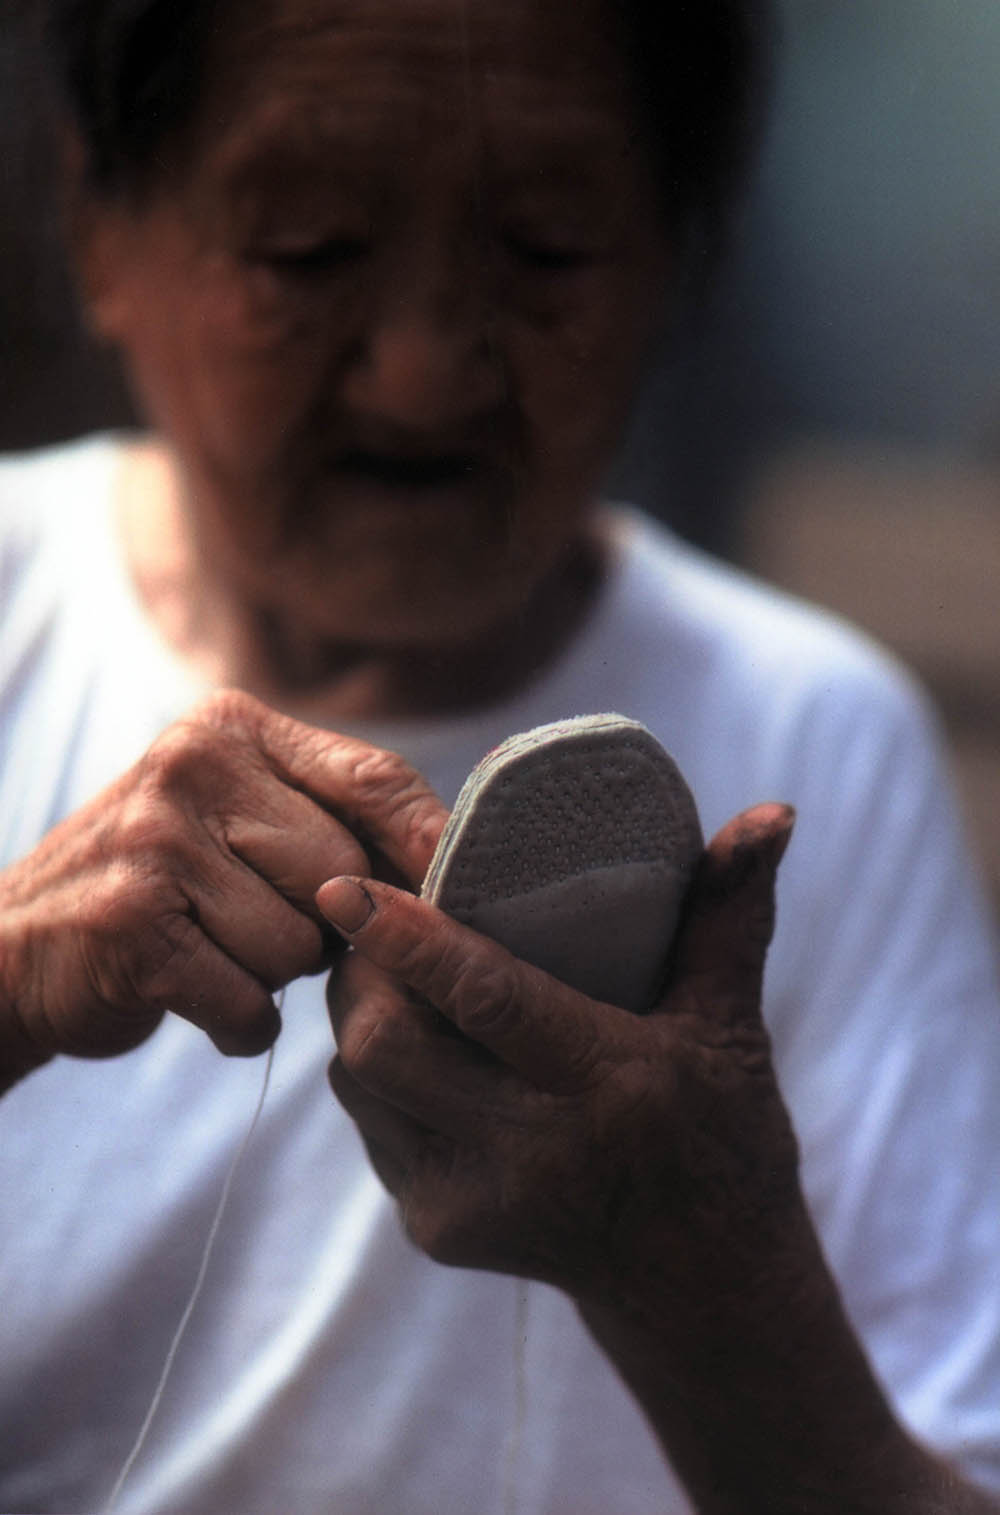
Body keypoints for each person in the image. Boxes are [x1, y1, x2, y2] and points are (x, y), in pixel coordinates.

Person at [1, 0, 998, 1511]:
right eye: (308, 253)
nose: (422, 375)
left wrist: (710, 1287)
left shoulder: (820, 740)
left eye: (546, 250)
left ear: (673, 265)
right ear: (100, 232)